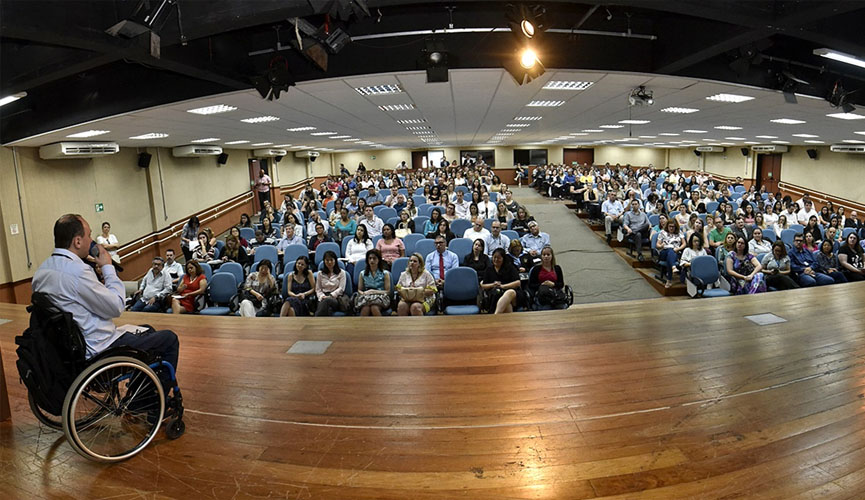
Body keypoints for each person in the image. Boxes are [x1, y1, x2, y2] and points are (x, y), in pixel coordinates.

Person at [33, 214, 180, 391]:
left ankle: (138, 394)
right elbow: (116, 306)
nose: (92, 240)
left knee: (148, 329)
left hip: (66, 350)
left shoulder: (42, 271)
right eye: (89, 235)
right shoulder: (77, 271)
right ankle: (142, 407)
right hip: (99, 349)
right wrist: (107, 267)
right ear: (78, 241)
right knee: (169, 340)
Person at [481, 248, 522, 314]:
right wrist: (493, 285)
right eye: (494, 257)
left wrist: (503, 286)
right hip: (495, 294)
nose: (496, 260)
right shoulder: (489, 269)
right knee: (506, 304)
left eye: (499, 258)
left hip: (512, 293)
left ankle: (495, 316)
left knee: (509, 292)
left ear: (503, 259)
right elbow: (483, 285)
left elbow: (518, 282)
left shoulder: (510, 267)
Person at [355, 249, 391, 316]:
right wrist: (364, 293)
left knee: (374, 307)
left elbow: (387, 291)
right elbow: (359, 290)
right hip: (367, 297)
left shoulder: (385, 273)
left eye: (374, 258)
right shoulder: (362, 273)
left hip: (381, 297)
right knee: (365, 308)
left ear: (378, 260)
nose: (372, 260)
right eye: (370, 258)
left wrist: (373, 291)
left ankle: (380, 326)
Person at [315, 251, 349, 316]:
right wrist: (322, 296)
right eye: (327, 260)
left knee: (327, 301)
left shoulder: (342, 273)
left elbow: (341, 288)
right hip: (323, 296)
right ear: (324, 261)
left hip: (336, 298)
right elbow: (318, 289)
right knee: (328, 308)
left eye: (331, 260)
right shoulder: (320, 273)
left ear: (335, 261)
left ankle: (316, 320)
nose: (329, 262)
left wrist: (330, 296)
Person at [657, 218, 686, 288]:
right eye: (670, 226)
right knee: (670, 250)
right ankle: (673, 267)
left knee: (670, 256)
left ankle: (669, 279)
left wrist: (678, 248)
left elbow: (684, 244)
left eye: (673, 226)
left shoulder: (679, 232)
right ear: (667, 226)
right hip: (664, 252)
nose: (671, 228)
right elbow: (657, 245)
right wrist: (661, 245)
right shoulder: (662, 232)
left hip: (675, 252)